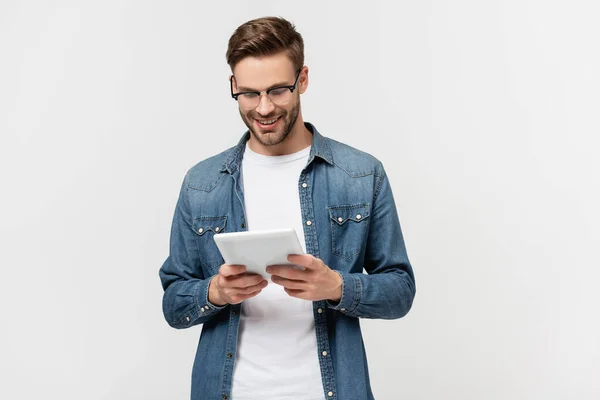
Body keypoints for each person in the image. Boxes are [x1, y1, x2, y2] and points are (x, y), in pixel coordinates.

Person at [159, 16, 416, 400]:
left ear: (303, 80)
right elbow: (173, 300)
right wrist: (214, 291)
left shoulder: (360, 174)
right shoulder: (203, 182)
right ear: (233, 86)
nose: (263, 108)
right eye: (248, 93)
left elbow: (400, 290)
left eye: (278, 90)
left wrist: (337, 287)